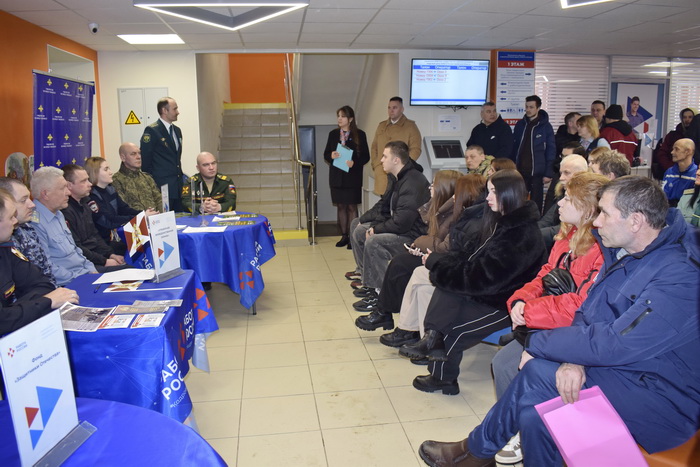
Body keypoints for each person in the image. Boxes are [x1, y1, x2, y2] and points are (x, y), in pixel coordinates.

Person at [418, 176, 699, 467]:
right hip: (624, 371)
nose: (597, 221)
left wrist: (538, 343)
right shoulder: (628, 251)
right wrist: (573, 359)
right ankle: (477, 452)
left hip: (663, 398)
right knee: (533, 415)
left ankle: (475, 452)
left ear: (636, 221)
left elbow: (617, 342)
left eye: (604, 213)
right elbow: (590, 313)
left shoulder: (680, 276)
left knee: (537, 370)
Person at [491, 172, 608, 465]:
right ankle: (518, 425)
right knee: (502, 363)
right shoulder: (566, 237)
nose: (560, 204)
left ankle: (531, 430)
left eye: (567, 198)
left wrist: (530, 312)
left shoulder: (601, 248)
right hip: (546, 322)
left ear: (587, 208)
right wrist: (520, 299)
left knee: (514, 364)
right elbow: (545, 275)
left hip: (573, 331)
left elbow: (581, 306)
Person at [400, 170, 546, 395]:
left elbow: (484, 278)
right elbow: (470, 259)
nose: (487, 197)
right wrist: (441, 263)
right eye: (488, 191)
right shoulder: (499, 221)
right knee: (447, 287)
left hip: (506, 303)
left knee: (454, 330)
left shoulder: (522, 235)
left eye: (493, 192)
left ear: (508, 194)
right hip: (487, 293)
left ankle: (443, 374)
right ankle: (433, 337)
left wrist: (437, 264)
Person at [353, 171, 475, 328]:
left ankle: (386, 312)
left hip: (441, 257)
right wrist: (419, 248)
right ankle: (386, 312)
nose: (430, 187)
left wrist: (418, 244)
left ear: (444, 188)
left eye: (434, 184)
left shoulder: (453, 213)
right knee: (400, 263)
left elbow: (442, 246)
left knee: (398, 262)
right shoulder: (437, 206)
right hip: (429, 251)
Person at [348, 141, 430, 298]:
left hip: (412, 236)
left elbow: (402, 223)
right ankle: (367, 280)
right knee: (357, 226)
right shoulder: (397, 177)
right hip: (400, 227)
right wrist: (365, 221)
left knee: (374, 242)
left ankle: (380, 293)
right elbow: (384, 206)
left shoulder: (412, 182)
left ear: (396, 160)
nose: (381, 160)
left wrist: (376, 229)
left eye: (385, 156)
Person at [0, 188, 79, 336]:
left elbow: (42, 283)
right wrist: (45, 302)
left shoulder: (5, 249)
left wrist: (17, 312)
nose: (15, 221)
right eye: (10, 217)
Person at [30, 167, 97, 286]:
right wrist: (83, 279)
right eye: (63, 188)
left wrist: (91, 269)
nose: (68, 192)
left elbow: (75, 250)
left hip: (84, 273)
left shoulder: (58, 214)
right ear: (45, 194)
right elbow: (47, 267)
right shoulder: (35, 224)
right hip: (68, 283)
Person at [322, 105, 370, 247]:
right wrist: (331, 155)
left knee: (351, 207)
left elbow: (366, 156)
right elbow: (326, 154)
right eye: (338, 116)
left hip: (352, 177)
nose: (339, 119)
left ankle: (353, 238)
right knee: (341, 206)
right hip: (337, 177)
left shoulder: (360, 134)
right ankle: (344, 236)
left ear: (350, 119)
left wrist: (354, 163)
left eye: (343, 116)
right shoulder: (333, 134)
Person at [61, 164, 126, 268]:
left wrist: (110, 254)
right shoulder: (65, 212)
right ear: (69, 185)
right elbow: (77, 247)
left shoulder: (85, 203)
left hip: (97, 254)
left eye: (88, 179)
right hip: (85, 262)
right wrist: (104, 261)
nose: (90, 184)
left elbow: (94, 235)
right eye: (83, 181)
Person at [0, 177, 55, 284]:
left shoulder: (27, 228)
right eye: (23, 200)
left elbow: (46, 271)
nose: (32, 205)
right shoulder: (5, 240)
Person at [84, 157, 152, 243]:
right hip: (103, 242)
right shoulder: (92, 196)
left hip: (115, 238)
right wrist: (141, 217)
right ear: (95, 173)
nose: (111, 172)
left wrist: (144, 213)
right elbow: (109, 220)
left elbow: (124, 209)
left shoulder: (110, 190)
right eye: (106, 169)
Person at [510, 95, 556, 213]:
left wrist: (548, 173)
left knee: (536, 203)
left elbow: (551, 150)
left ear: (538, 108)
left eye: (531, 107)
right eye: (526, 107)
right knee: (518, 201)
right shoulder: (520, 125)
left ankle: (536, 222)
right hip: (520, 171)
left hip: (537, 172)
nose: (528, 110)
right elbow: (514, 147)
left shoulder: (545, 127)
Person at [369, 97, 422, 196]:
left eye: (395, 107)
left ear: (402, 109)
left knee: (398, 201)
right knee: (383, 203)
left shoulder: (410, 126)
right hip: (382, 172)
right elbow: (374, 147)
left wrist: (403, 166)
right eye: (389, 108)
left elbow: (416, 149)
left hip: (400, 174)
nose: (391, 110)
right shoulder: (381, 126)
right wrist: (375, 164)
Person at [538, 154, 589, 250]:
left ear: (581, 174)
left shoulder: (585, 197)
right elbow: (548, 219)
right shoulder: (563, 192)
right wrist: (531, 231)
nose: (561, 178)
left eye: (567, 173)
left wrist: (533, 234)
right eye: (561, 173)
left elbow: (565, 228)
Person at [141, 97, 183, 211]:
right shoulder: (152, 131)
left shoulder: (177, 131)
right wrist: (152, 185)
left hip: (177, 187)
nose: (178, 112)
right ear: (164, 110)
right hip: (162, 187)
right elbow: (145, 161)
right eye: (175, 109)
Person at [112, 142, 163, 212]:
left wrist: (159, 214)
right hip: (135, 218)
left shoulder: (147, 177)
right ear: (123, 157)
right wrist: (144, 216)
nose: (138, 157)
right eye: (133, 154)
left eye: (139, 153)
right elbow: (124, 208)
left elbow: (159, 199)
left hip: (155, 217)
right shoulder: (116, 180)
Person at [653, 108, 694, 179]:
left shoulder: (696, 136)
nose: (687, 120)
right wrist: (670, 167)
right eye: (684, 117)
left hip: (691, 172)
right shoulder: (672, 135)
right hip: (672, 172)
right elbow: (662, 154)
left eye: (690, 117)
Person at [661, 138, 698, 207]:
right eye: (673, 149)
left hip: (687, 210)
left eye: (676, 149)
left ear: (688, 151)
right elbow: (662, 195)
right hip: (668, 209)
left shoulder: (696, 174)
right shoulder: (669, 172)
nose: (672, 152)